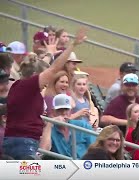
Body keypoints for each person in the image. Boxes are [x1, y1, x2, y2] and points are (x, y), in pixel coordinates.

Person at [2, 27, 87, 159]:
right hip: (23, 144)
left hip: (21, 142)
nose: (46, 84)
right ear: (36, 76)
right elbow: (53, 69)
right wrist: (73, 45)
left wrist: (49, 54)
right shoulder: (28, 86)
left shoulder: (20, 86)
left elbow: (40, 65)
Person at [39, 94, 96, 159]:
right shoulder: (49, 130)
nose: (64, 113)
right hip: (61, 166)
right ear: (53, 112)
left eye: (66, 109)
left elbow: (95, 150)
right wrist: (49, 123)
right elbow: (43, 150)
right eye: (60, 110)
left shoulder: (83, 125)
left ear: (71, 111)